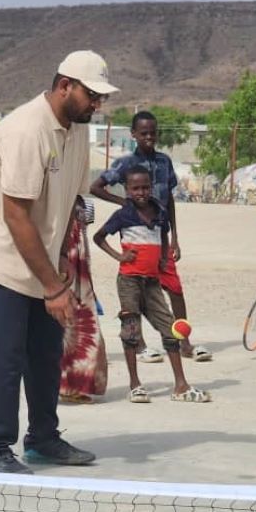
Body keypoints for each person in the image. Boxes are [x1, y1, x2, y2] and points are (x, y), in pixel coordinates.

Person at [0, 50, 114, 474]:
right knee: (7, 350)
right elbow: (16, 215)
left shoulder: (77, 129)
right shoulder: (27, 130)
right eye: (91, 95)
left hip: (40, 255)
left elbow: (70, 204)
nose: (97, 104)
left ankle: (43, 440)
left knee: (46, 349)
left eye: (102, 97)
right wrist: (52, 286)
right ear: (65, 85)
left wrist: (62, 266)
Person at [90, 110, 213, 363]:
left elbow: (169, 201)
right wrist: (124, 204)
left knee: (175, 289)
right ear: (133, 134)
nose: (149, 137)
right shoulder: (125, 164)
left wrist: (175, 236)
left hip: (161, 238)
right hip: (136, 238)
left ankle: (183, 341)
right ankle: (142, 345)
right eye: (143, 133)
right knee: (136, 292)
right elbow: (96, 187)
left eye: (153, 133)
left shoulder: (164, 162)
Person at [93, 167, 211, 403]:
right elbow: (99, 237)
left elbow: (164, 236)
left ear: (151, 187)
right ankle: (135, 384)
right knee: (131, 330)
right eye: (135, 188)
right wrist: (119, 256)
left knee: (170, 329)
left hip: (152, 282)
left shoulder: (159, 211)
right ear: (127, 190)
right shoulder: (123, 214)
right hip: (129, 281)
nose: (141, 192)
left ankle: (180, 385)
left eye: (145, 187)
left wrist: (164, 257)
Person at [59, 197, 108, 403]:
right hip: (58, 266)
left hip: (80, 273)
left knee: (81, 327)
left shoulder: (87, 205)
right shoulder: (54, 198)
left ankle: (75, 384)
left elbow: (84, 240)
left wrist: (86, 276)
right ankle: (63, 384)